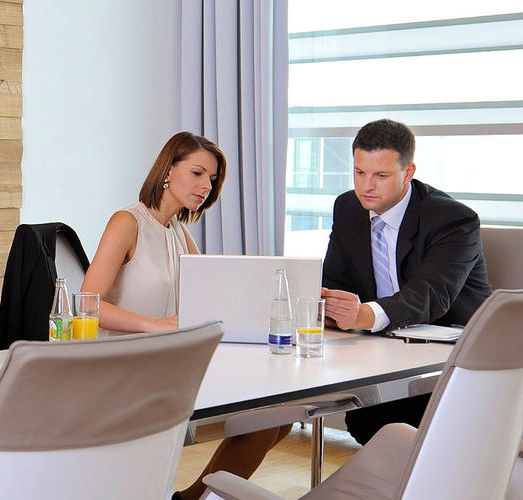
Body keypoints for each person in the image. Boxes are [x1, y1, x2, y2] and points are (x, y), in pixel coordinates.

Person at [78, 131, 290, 500]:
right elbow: (86, 305)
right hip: (123, 368)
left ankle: (192, 497)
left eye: (212, 179)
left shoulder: (179, 232)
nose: (206, 185)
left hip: (168, 364)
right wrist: (154, 325)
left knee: (279, 416)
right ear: (167, 170)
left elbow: (210, 293)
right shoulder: (127, 222)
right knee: (265, 420)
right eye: (197, 173)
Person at [321, 118, 492, 445]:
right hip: (384, 350)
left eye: (381, 176)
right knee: (365, 420)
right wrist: (328, 304)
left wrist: (364, 315)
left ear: (408, 172)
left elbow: (430, 296)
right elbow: (336, 280)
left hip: (451, 360)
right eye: (359, 172)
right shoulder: (348, 207)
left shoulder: (453, 219)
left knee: (381, 424)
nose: (367, 186)